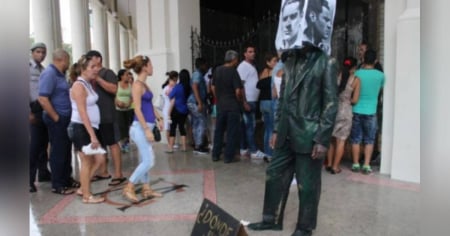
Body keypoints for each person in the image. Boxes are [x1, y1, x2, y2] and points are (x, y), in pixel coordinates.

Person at [247, 44, 338, 236]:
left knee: (307, 185)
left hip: (309, 133)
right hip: (286, 132)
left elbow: (331, 103)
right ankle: (270, 219)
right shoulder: (289, 60)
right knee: (274, 173)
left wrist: (322, 138)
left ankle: (305, 228)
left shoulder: (326, 62)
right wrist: (277, 129)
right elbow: (282, 100)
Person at [122, 55, 163, 202]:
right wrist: (146, 129)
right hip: (139, 127)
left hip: (146, 126)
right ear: (145, 67)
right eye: (151, 65)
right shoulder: (137, 85)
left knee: (144, 158)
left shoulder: (144, 85)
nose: (153, 67)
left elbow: (149, 105)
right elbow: (137, 109)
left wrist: (159, 118)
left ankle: (146, 188)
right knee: (148, 161)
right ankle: (129, 186)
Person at [39, 49, 80, 195]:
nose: (68, 63)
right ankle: (57, 184)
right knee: (58, 151)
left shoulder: (59, 74)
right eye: (67, 60)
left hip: (65, 118)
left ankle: (66, 178)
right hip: (57, 118)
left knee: (66, 150)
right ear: (62, 59)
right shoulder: (49, 74)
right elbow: (43, 99)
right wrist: (56, 117)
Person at [67, 54, 106, 204]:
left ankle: (84, 187)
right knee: (87, 161)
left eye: (97, 66)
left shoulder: (87, 83)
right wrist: (92, 136)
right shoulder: (78, 86)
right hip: (81, 128)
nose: (96, 69)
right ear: (83, 69)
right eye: (92, 67)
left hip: (89, 128)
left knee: (100, 159)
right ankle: (87, 196)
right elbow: (82, 113)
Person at [85, 50, 126, 187]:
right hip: (95, 118)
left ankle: (118, 174)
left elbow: (114, 89)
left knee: (113, 143)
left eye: (91, 59)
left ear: (98, 58)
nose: (90, 63)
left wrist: (98, 79)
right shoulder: (89, 74)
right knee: (100, 145)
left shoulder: (108, 73)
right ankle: (103, 172)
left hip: (107, 115)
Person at [350, 49, 385, 175]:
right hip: (371, 111)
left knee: (355, 139)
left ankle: (355, 164)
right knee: (369, 140)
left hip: (356, 110)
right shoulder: (381, 75)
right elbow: (380, 90)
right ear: (375, 61)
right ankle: (366, 165)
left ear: (364, 60)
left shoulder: (358, 73)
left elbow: (351, 88)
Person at [326, 57, 360, 174]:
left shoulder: (337, 77)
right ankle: (336, 167)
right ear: (354, 68)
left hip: (334, 109)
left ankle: (329, 164)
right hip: (345, 111)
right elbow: (355, 100)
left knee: (331, 139)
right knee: (341, 140)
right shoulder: (355, 80)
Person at [211, 50, 244, 163]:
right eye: (237, 59)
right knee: (231, 132)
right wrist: (240, 100)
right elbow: (238, 91)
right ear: (234, 59)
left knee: (219, 131)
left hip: (221, 106)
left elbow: (213, 87)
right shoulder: (233, 72)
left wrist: (219, 98)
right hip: (232, 106)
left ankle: (215, 154)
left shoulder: (217, 70)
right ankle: (228, 157)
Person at [29, 42, 52, 192]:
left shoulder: (43, 70)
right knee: (35, 145)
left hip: (43, 108)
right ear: (32, 52)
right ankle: (28, 179)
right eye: (38, 52)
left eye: (43, 52)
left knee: (44, 143)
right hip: (32, 108)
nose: (41, 55)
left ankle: (43, 172)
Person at [237, 45, 265, 159]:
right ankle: (253, 150)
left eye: (253, 51)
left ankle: (244, 148)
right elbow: (241, 85)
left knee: (245, 126)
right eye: (250, 51)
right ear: (245, 54)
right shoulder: (243, 67)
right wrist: (244, 101)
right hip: (248, 100)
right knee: (250, 126)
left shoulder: (251, 66)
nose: (253, 53)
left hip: (252, 100)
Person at [257, 53, 278, 159]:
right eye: (274, 61)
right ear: (268, 62)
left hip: (263, 103)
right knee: (271, 128)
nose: (276, 63)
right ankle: (270, 154)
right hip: (269, 102)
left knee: (267, 128)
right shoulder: (271, 72)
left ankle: (266, 152)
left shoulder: (265, 72)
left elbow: (259, 84)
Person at [187, 57, 210, 154]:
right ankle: (199, 146)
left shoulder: (198, 74)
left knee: (196, 123)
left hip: (194, 102)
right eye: (205, 65)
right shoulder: (197, 74)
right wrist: (200, 102)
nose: (206, 67)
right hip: (196, 102)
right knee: (201, 122)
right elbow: (195, 87)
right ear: (201, 65)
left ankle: (197, 145)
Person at [167, 69, 191, 153]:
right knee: (182, 128)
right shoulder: (188, 87)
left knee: (173, 128)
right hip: (184, 110)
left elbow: (170, 96)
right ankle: (184, 147)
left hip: (176, 110)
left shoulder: (177, 87)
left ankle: (170, 148)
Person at [115, 69, 134, 153]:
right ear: (121, 76)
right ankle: (122, 143)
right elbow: (114, 95)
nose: (128, 76)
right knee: (121, 127)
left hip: (128, 109)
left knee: (128, 127)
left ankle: (126, 144)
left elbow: (132, 96)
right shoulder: (117, 84)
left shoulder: (130, 85)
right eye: (126, 75)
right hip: (119, 109)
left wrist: (128, 103)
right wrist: (118, 102)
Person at [161, 71, 178, 147]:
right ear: (170, 80)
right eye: (174, 80)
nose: (175, 82)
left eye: (176, 80)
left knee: (171, 127)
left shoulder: (173, 87)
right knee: (167, 127)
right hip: (167, 110)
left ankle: (171, 143)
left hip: (172, 109)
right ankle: (169, 143)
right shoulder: (167, 89)